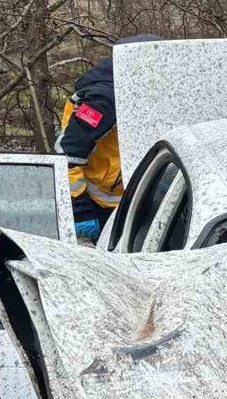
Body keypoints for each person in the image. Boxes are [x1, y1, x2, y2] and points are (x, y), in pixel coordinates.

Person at [56, 34, 159, 243]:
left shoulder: (141, 92)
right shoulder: (104, 100)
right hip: (97, 203)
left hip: (129, 198)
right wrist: (80, 210)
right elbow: (68, 156)